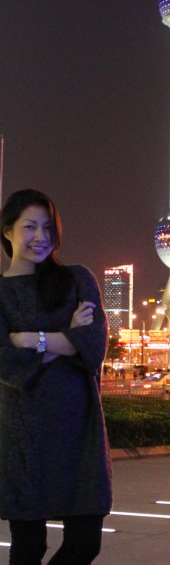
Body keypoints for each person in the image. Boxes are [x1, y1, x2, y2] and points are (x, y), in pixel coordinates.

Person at [0, 189, 112, 564]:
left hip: (80, 434)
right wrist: (68, 337)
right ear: (7, 231)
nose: (40, 236)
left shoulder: (77, 279)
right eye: (29, 226)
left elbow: (94, 343)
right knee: (29, 547)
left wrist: (34, 339)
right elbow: (5, 361)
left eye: (48, 227)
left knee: (85, 544)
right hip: (22, 436)